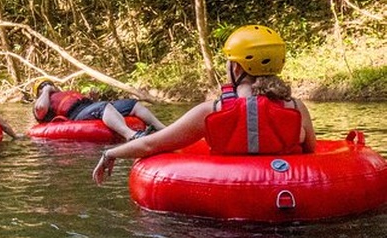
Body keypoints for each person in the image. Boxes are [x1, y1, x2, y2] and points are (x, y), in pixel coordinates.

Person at [92, 25, 317, 185]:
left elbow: (151, 145)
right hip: (287, 195)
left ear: (237, 69)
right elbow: (311, 150)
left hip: (227, 201)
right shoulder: (295, 108)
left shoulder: (211, 112)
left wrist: (111, 154)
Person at [31, 78, 166, 140]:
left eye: (49, 83)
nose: (47, 86)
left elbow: (89, 106)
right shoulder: (41, 101)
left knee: (132, 104)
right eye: (43, 85)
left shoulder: (63, 93)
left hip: (88, 107)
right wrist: (46, 90)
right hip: (75, 115)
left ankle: (162, 129)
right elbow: (42, 109)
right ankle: (131, 135)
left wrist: (93, 98)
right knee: (103, 107)